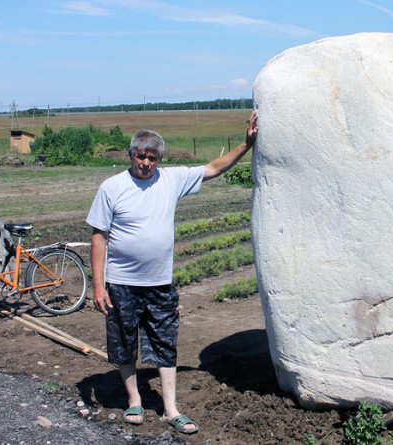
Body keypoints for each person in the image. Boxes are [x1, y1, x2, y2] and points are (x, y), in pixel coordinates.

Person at [86, 111, 258, 434]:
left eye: (152, 157)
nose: (146, 163)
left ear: (159, 159)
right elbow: (99, 237)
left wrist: (246, 145)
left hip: (160, 284)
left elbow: (213, 168)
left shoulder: (172, 179)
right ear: (131, 155)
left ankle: (170, 408)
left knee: (166, 342)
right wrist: (98, 285)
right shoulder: (112, 187)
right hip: (121, 283)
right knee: (124, 342)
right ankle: (134, 399)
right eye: (141, 156)